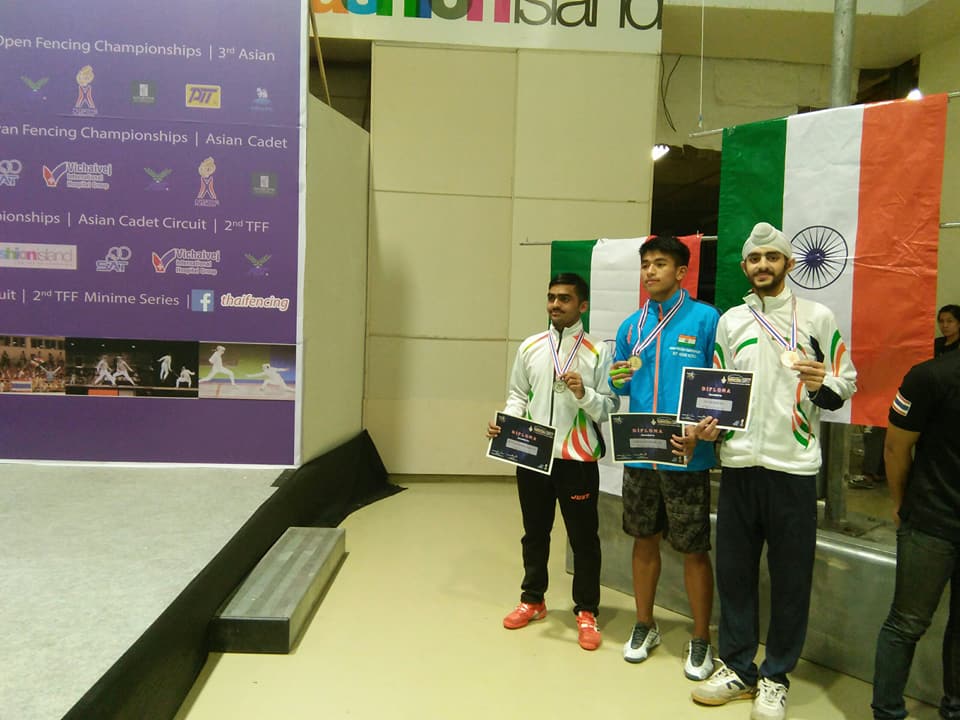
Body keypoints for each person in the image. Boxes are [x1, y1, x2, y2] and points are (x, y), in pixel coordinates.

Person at [690, 222, 857, 720]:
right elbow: (721, 388)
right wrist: (710, 427)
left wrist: (821, 381)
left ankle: (776, 675)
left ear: (787, 263)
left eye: (772, 257)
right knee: (736, 574)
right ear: (744, 267)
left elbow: (846, 381)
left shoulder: (819, 317)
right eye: (755, 258)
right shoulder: (730, 322)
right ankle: (740, 668)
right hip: (739, 465)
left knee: (789, 578)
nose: (763, 265)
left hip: (794, 467)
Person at [608, 236, 720, 679]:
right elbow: (619, 385)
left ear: (681, 272)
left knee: (693, 548)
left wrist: (703, 429)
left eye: (660, 264)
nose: (650, 272)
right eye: (646, 265)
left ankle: (700, 638)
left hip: (685, 454)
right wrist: (616, 377)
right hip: (640, 455)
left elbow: (721, 387)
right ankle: (644, 624)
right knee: (643, 540)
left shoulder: (706, 319)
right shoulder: (630, 327)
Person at [486, 273, 616, 651]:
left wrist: (584, 393)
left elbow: (609, 406)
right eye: (551, 298)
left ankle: (587, 610)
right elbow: (517, 395)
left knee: (583, 539)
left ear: (583, 306)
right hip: (532, 456)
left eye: (565, 299)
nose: (556, 305)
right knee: (534, 533)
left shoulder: (597, 352)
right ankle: (532, 599)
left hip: (576, 459)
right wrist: (504, 422)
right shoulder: (530, 346)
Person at [871, 350, 960, 720]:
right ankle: (888, 711)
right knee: (906, 623)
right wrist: (901, 503)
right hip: (930, 519)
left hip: (929, 516)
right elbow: (895, 447)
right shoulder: (931, 376)